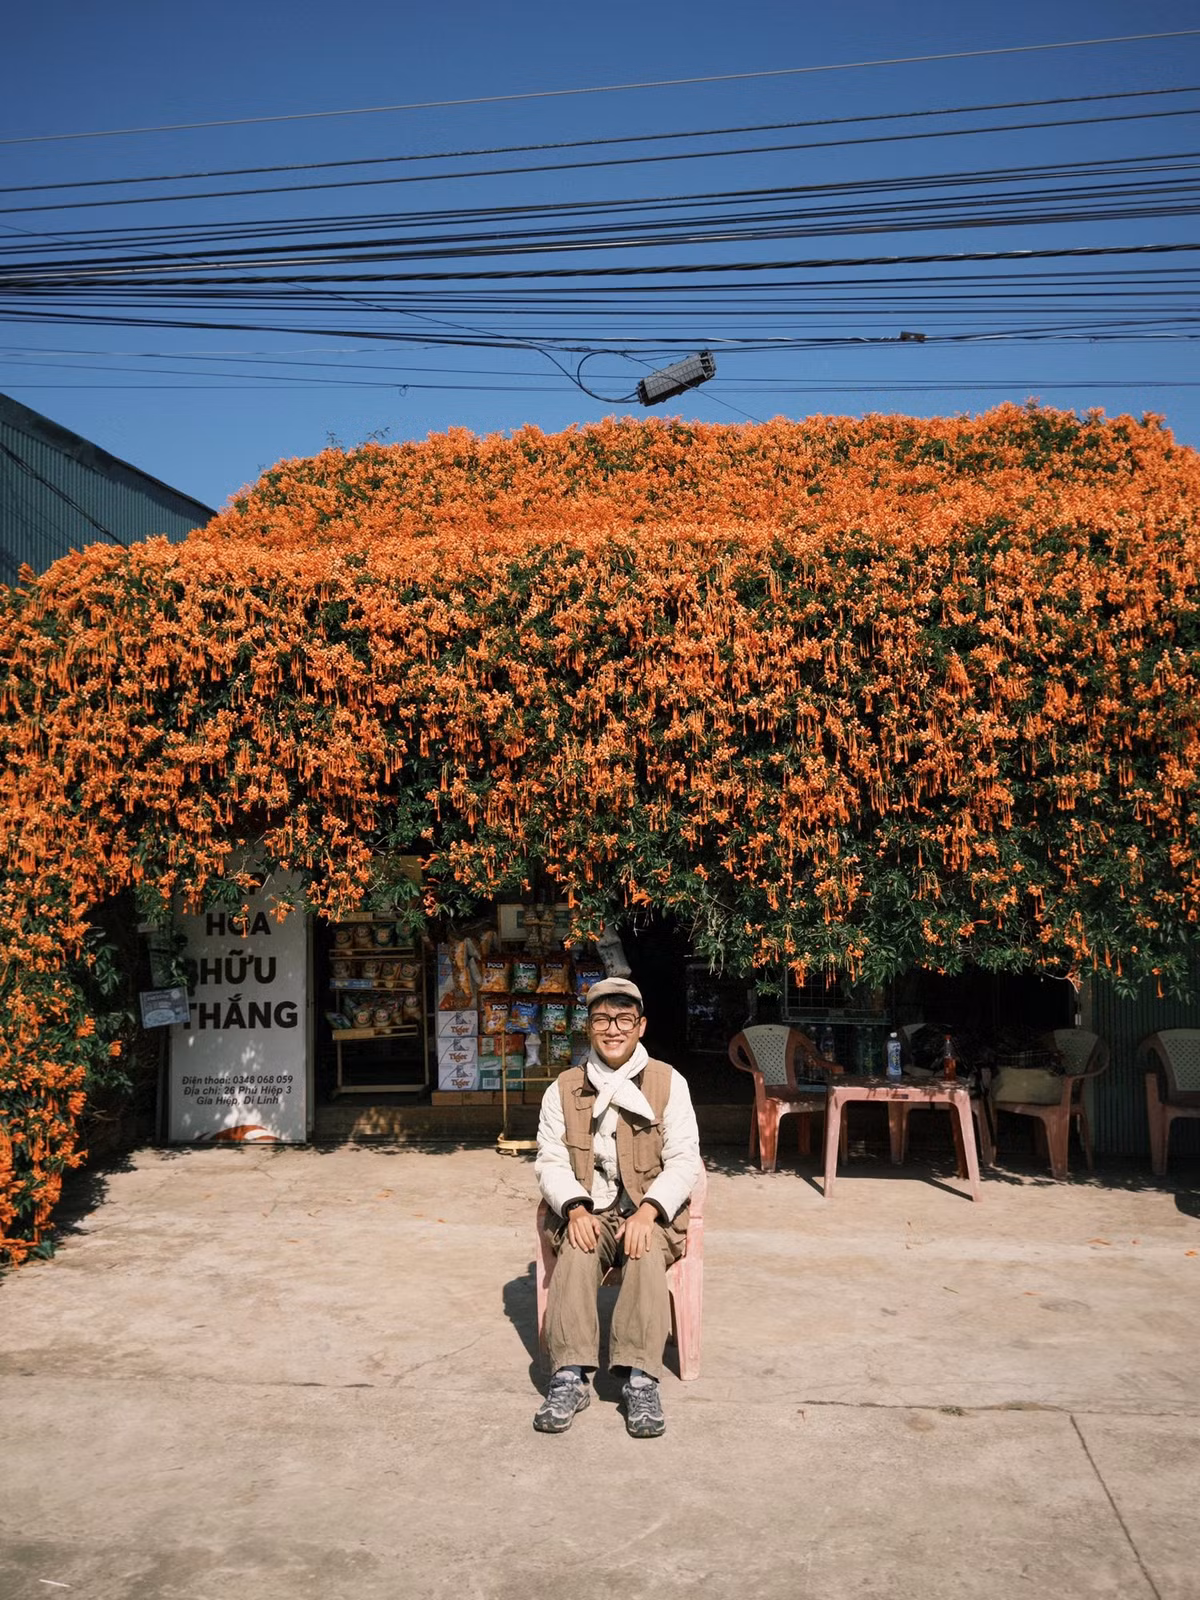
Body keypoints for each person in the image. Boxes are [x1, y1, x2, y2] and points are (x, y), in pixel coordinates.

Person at [533, 976, 702, 1438]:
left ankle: (641, 1379)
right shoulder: (564, 1088)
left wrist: (649, 1212)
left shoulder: (669, 1083)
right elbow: (549, 1159)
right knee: (578, 1248)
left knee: (645, 1249)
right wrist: (574, 1210)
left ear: (641, 1025)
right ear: (587, 1028)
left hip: (650, 1209)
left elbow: (685, 1159)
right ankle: (569, 1376)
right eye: (602, 1019)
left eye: (624, 1019)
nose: (613, 1029)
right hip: (591, 1209)